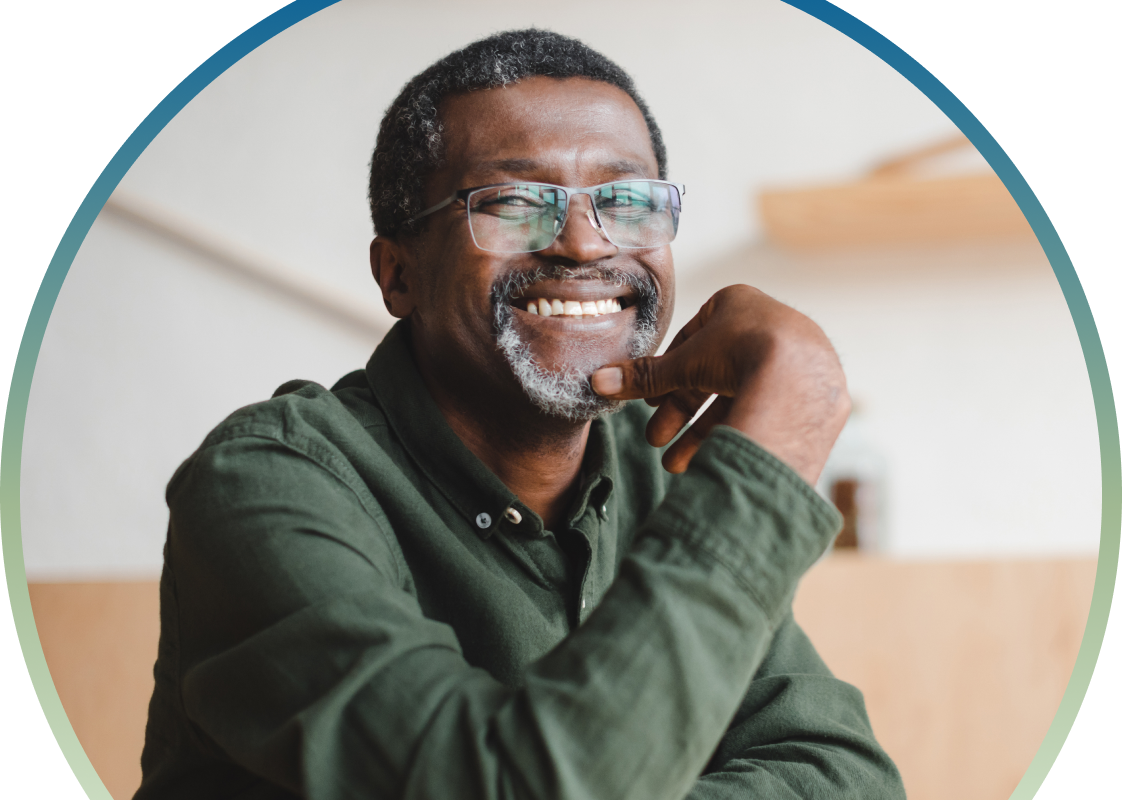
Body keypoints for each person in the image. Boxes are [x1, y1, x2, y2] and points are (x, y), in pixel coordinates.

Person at [135, 29, 904, 800]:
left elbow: (847, 778)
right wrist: (777, 437)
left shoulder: (654, 462)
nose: (581, 244)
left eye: (626, 199)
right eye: (513, 202)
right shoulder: (267, 484)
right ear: (398, 275)